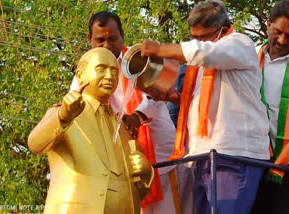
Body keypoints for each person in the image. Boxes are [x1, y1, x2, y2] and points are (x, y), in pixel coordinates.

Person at [140, 1, 270, 214]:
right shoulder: (201, 61)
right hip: (202, 157)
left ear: (222, 30)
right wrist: (177, 99)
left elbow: (205, 53)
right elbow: (207, 101)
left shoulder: (239, 44)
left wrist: (160, 49)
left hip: (232, 155)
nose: (198, 42)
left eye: (204, 37)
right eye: (194, 37)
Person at [69, 11, 195, 214]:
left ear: (123, 36)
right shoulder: (85, 72)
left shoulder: (139, 61)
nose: (107, 46)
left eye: (112, 39)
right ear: (89, 40)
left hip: (161, 158)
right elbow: (77, 106)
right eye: (100, 40)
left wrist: (136, 117)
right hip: (122, 164)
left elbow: (157, 97)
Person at [28, 47, 154, 214]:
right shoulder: (64, 115)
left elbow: (138, 189)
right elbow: (35, 144)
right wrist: (63, 116)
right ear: (80, 75)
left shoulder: (122, 127)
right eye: (101, 69)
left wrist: (146, 173)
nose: (109, 77)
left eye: (114, 71)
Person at [250, 1, 289, 214]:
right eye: (278, 32)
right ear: (268, 24)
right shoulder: (248, 57)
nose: (283, 40)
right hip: (252, 161)